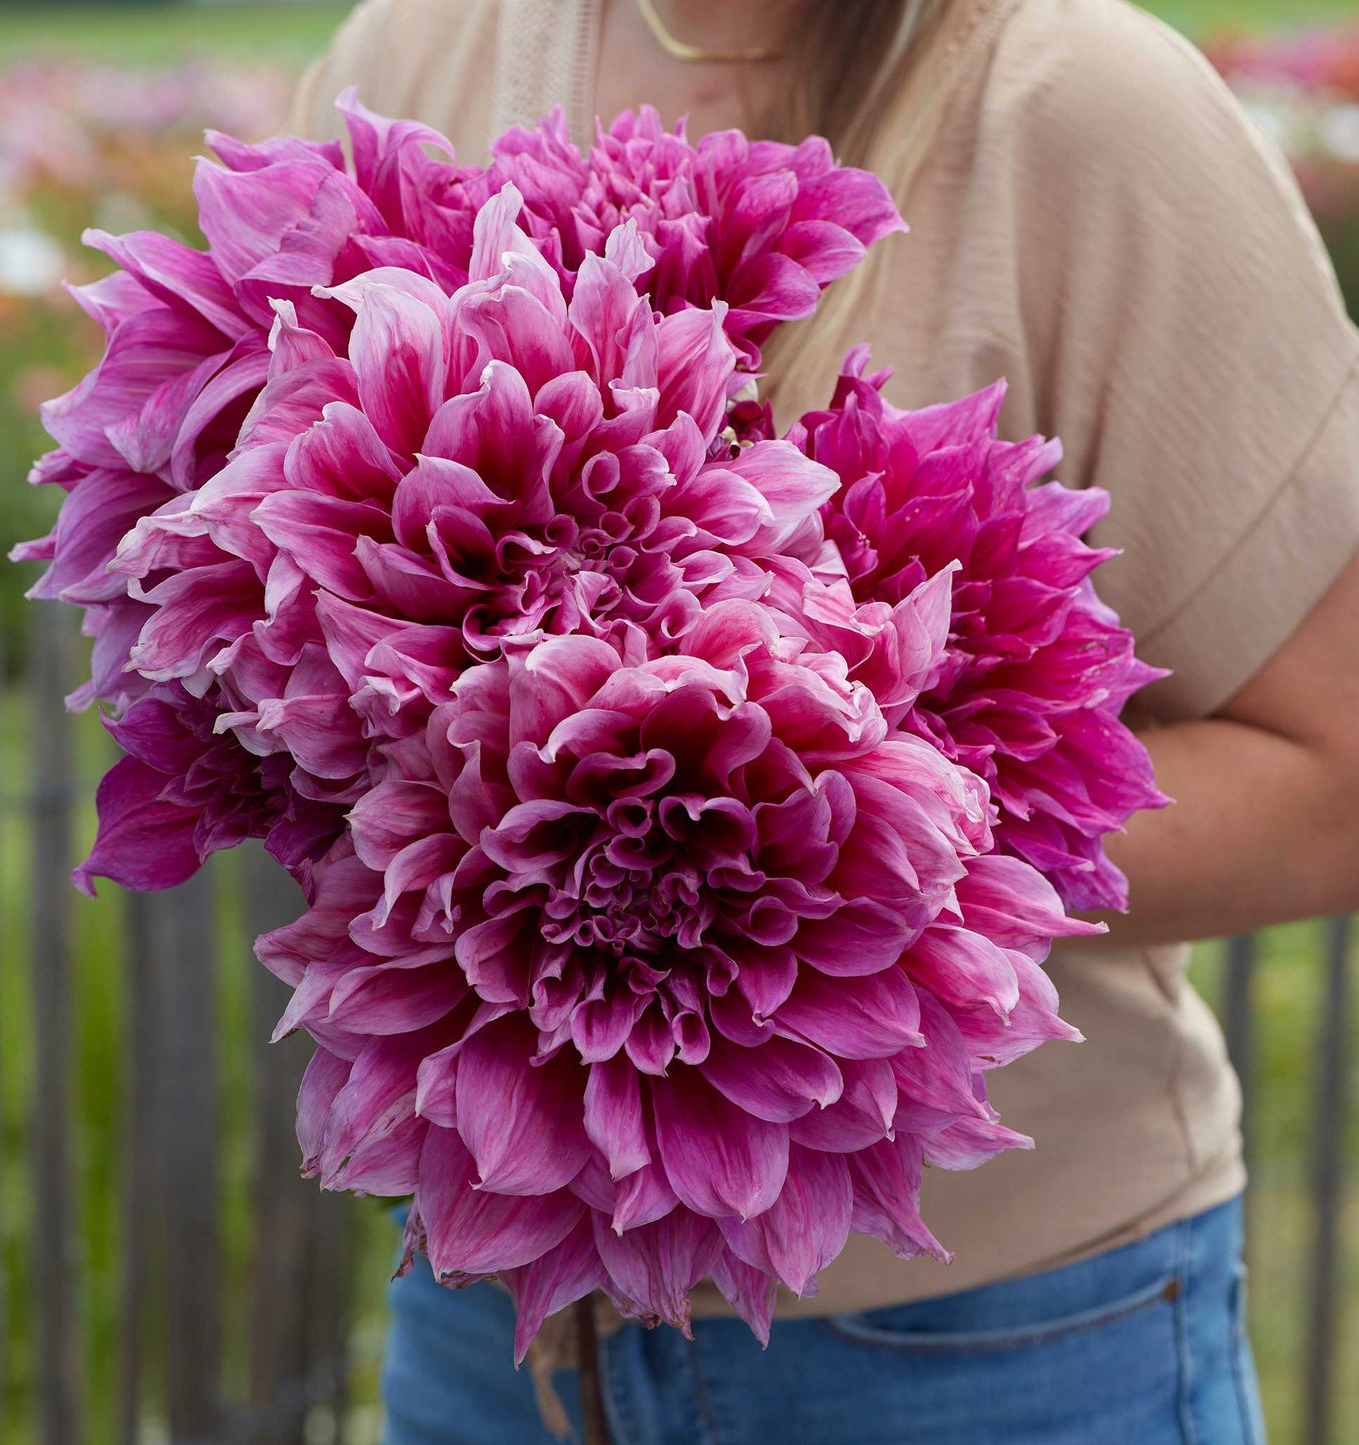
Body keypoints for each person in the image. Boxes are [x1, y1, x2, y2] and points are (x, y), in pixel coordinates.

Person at [289, 2, 1359, 1441]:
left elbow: (1335, 778)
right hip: (502, 1347)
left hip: (991, 1350)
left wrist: (846, 874)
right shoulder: (416, 55)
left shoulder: (1080, 104)